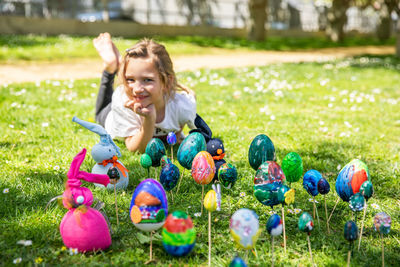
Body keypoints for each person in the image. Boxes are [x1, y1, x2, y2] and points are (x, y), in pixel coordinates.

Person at [93, 33, 212, 153]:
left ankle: (121, 65)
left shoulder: (181, 106)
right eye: (130, 79)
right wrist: (149, 119)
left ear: (166, 82)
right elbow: (136, 149)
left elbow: (185, 129)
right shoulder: (123, 101)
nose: (137, 89)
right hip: (110, 116)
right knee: (98, 115)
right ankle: (111, 67)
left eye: (147, 80)